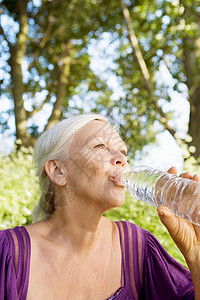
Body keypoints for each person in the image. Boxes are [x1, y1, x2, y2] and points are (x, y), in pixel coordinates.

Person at [0, 113, 200, 300]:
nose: (121, 159)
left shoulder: (139, 249)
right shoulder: (8, 253)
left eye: (123, 151)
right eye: (100, 147)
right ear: (58, 171)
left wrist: (195, 255)